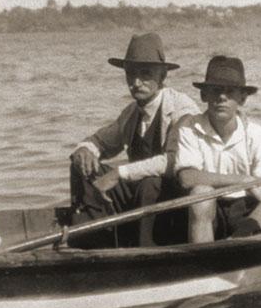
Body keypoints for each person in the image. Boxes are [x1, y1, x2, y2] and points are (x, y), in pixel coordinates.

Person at [68, 32, 199, 248]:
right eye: (130, 74)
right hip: (139, 196)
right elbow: (100, 141)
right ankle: (91, 242)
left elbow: (174, 161)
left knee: (150, 183)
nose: (136, 83)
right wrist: (85, 149)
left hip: (174, 201)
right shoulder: (131, 113)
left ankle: (146, 252)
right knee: (80, 164)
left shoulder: (182, 109)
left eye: (145, 74)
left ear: (163, 75)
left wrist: (120, 174)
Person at [175, 55, 261, 243]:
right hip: (206, 214)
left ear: (242, 98)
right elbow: (187, 178)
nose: (222, 97)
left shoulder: (259, 136)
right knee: (200, 194)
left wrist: (243, 233)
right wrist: (246, 181)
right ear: (204, 95)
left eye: (230, 91)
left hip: (247, 212)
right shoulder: (188, 128)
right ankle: (204, 263)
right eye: (215, 90)